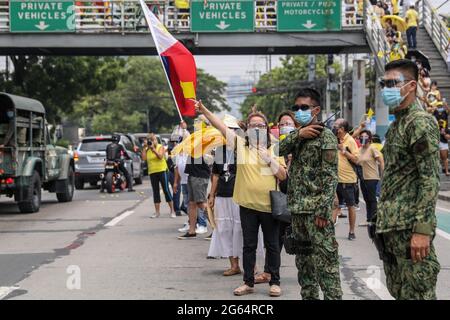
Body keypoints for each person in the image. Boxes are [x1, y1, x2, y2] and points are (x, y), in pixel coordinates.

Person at [195, 101, 287, 298]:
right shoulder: (241, 145)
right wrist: (203, 110)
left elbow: (283, 176)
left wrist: (269, 159)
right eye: (253, 125)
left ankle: (275, 282)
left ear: (266, 128)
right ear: (247, 128)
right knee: (249, 246)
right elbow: (219, 125)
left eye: (261, 125)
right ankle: (248, 282)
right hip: (247, 205)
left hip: (269, 207)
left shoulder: (275, 148)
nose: (257, 128)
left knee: (272, 245)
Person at [375, 59, 440, 299]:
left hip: (410, 228)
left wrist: (422, 230)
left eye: (393, 83)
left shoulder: (419, 123)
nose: (386, 88)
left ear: (411, 86)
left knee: (418, 294)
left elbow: (429, 179)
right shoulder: (398, 126)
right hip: (393, 229)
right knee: (401, 292)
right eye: (384, 83)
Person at [279, 88, 343, 300]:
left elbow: (330, 177)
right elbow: (277, 150)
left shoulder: (326, 138)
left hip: (317, 214)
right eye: (296, 108)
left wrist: (324, 211)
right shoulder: (298, 137)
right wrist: (298, 134)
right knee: (305, 269)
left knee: (326, 268)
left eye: (304, 108)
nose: (299, 111)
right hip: (298, 211)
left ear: (316, 110)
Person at [254, 110, 299, 285]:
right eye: (282, 124)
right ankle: (268, 272)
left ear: (296, 126)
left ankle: (312, 270)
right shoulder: (273, 146)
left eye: (289, 123)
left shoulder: (303, 143)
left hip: (303, 199)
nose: (285, 127)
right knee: (275, 239)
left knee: (305, 237)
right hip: (281, 197)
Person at [207, 115, 242, 276]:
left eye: (231, 130)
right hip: (222, 195)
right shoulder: (219, 151)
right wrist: (212, 195)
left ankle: (251, 266)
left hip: (239, 196)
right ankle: (234, 265)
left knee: (241, 230)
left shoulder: (242, 149)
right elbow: (215, 175)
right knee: (225, 230)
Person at [332, 119, 360, 240]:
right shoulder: (334, 140)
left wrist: (345, 151)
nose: (333, 128)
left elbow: (357, 159)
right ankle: (330, 232)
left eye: (335, 126)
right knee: (334, 205)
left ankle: (352, 231)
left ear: (342, 129)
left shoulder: (350, 141)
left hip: (348, 181)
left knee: (350, 206)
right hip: (334, 180)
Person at [142, 133, 175, 218]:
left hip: (162, 170)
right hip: (152, 172)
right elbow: (144, 158)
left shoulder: (160, 147)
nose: (153, 141)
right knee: (155, 191)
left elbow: (160, 156)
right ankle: (157, 212)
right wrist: (144, 148)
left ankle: (172, 210)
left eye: (154, 140)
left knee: (166, 190)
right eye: (151, 140)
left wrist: (153, 149)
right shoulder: (147, 149)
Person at [357, 130, 384, 226]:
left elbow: (381, 160)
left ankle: (374, 220)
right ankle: (369, 219)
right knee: (366, 199)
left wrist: (383, 175)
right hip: (363, 178)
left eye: (365, 136)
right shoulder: (360, 149)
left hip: (372, 178)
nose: (363, 138)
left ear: (369, 138)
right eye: (361, 136)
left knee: (372, 200)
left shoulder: (373, 148)